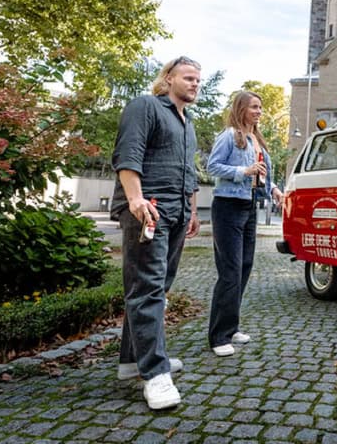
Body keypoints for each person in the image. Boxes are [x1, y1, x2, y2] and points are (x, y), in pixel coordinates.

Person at [111, 55, 202, 410]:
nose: (195, 83)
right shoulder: (146, 106)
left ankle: (131, 361)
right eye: (188, 77)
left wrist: (193, 211)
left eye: (198, 79)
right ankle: (155, 373)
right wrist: (134, 199)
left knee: (155, 288)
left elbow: (189, 171)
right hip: (147, 209)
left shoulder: (187, 122)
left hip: (177, 214)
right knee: (147, 288)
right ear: (168, 79)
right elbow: (127, 153)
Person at [207, 91, 285, 357]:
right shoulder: (229, 135)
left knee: (244, 267)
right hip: (227, 206)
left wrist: (273, 189)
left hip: (249, 204)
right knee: (229, 271)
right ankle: (219, 336)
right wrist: (243, 172)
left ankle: (231, 326)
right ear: (241, 108)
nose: (259, 111)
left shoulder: (257, 140)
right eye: (254, 107)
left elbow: (261, 174)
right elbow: (212, 166)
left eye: (261, 107)